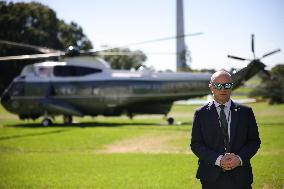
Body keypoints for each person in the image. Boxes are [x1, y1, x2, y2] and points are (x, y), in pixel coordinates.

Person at [190, 70, 261, 189]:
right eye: (218, 85)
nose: (223, 89)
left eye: (227, 85)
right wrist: (218, 160)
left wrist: (239, 159)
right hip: (210, 178)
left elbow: (254, 142)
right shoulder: (200, 114)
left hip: (241, 177)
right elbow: (196, 145)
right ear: (211, 87)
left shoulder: (246, 112)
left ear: (231, 86)